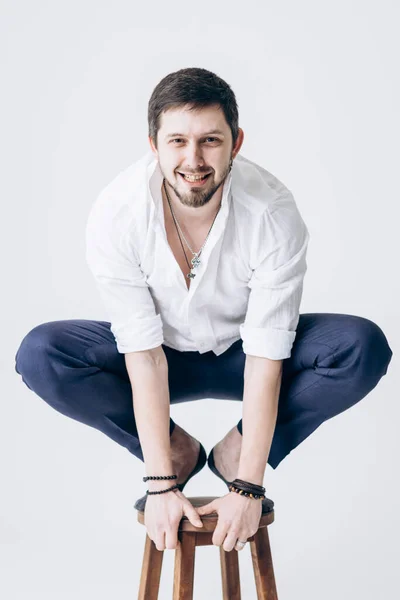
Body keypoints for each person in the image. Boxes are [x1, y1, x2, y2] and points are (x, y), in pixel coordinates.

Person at [14, 67, 393, 555]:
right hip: (160, 356)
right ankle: (177, 449)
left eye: (210, 141)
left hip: (244, 352)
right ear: (154, 145)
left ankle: (236, 450)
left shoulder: (272, 211)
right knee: (41, 354)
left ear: (236, 143)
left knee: (361, 346)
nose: (193, 160)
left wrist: (247, 485)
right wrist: (161, 481)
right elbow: (143, 353)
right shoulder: (117, 213)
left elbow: (265, 354)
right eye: (177, 141)